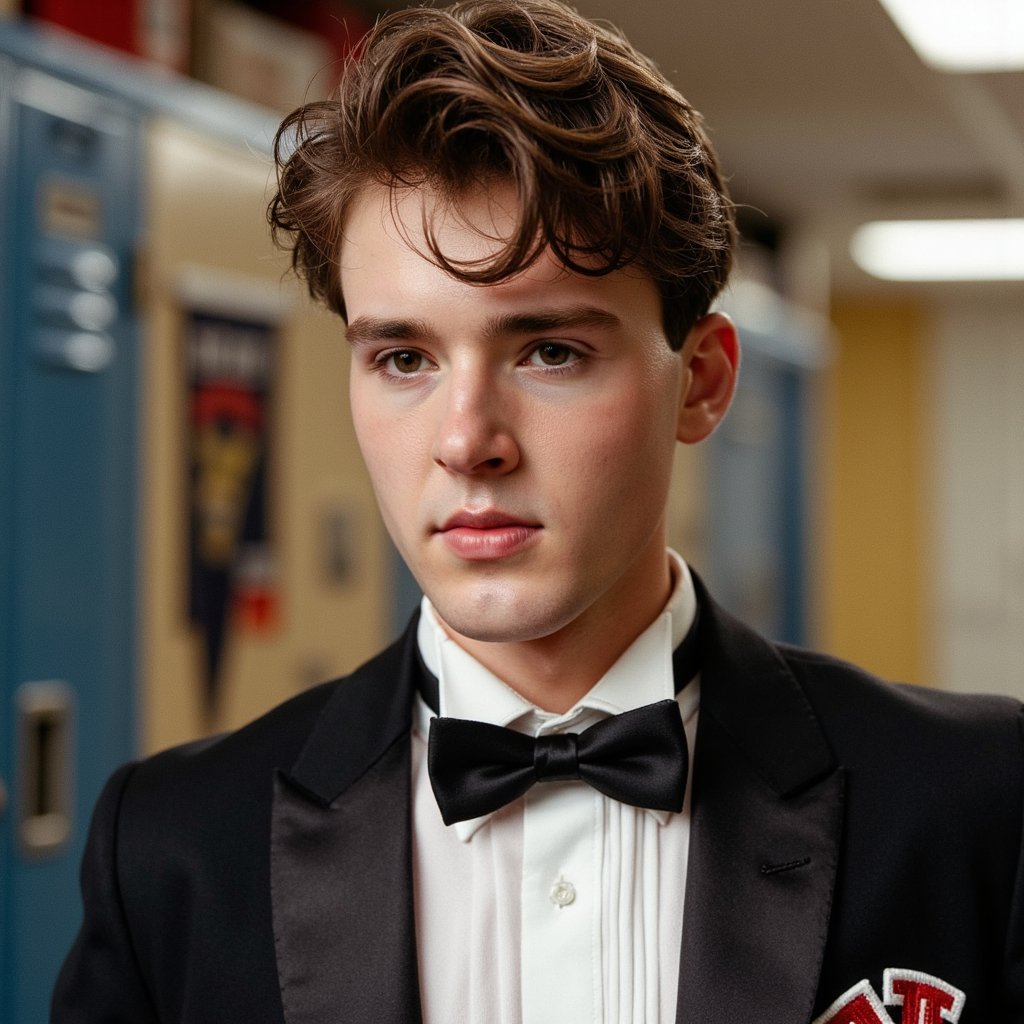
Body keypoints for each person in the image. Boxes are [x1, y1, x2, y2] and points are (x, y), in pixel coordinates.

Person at [52, 1, 1024, 1021]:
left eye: (548, 351)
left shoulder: (973, 808)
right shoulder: (175, 847)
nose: (468, 438)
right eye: (404, 358)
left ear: (699, 382)